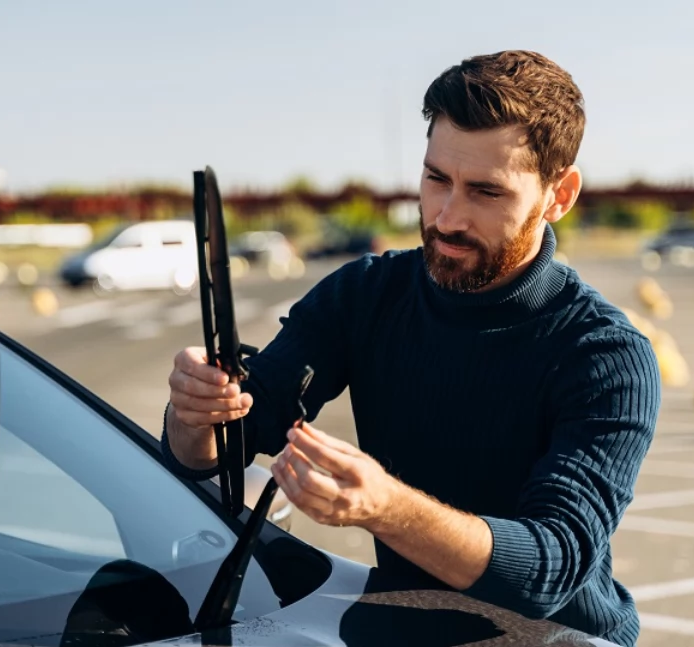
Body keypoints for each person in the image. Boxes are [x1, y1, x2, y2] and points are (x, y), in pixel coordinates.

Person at [160, 50, 659, 647]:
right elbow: (229, 440)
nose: (447, 217)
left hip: (558, 639)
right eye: (435, 179)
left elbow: (548, 567)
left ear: (559, 195)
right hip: (403, 626)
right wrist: (195, 413)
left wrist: (387, 507)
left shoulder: (604, 356)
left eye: (486, 193)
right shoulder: (365, 295)